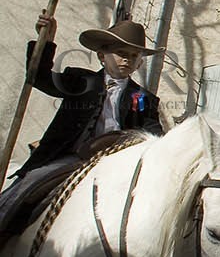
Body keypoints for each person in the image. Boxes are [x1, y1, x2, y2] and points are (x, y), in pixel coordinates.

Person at [12, 12, 164, 181]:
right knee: (30, 184)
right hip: (68, 159)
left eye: (134, 55)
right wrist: (45, 42)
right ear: (102, 56)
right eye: (121, 53)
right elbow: (40, 78)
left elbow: (151, 130)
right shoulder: (80, 81)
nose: (127, 59)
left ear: (140, 63)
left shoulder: (141, 97)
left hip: (116, 164)